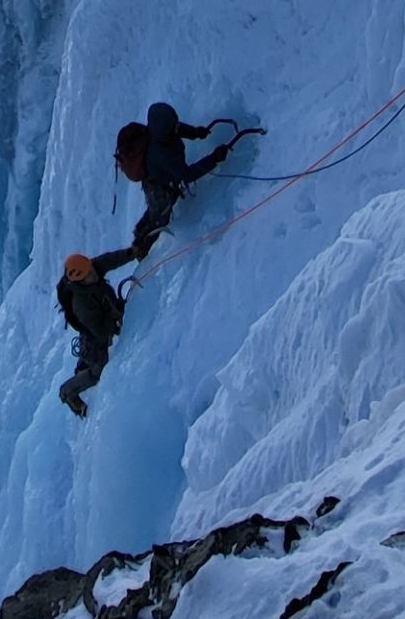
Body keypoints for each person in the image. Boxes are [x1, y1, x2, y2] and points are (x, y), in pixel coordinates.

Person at [116, 100, 262, 257]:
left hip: (161, 177)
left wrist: (196, 133)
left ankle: (142, 230)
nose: (175, 126)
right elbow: (187, 175)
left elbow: (178, 129)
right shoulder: (160, 153)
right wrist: (214, 159)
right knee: (160, 218)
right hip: (157, 186)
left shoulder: (161, 130)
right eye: (172, 125)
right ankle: (141, 247)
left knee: (157, 210)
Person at [56, 248, 133, 416]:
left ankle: (82, 367)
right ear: (81, 281)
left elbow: (109, 260)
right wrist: (113, 317)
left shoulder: (89, 269)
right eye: (89, 275)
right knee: (97, 371)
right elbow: (101, 332)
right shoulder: (81, 304)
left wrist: (132, 252)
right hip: (93, 338)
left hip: (96, 328)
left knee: (89, 363)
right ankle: (67, 392)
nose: (94, 275)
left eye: (92, 271)